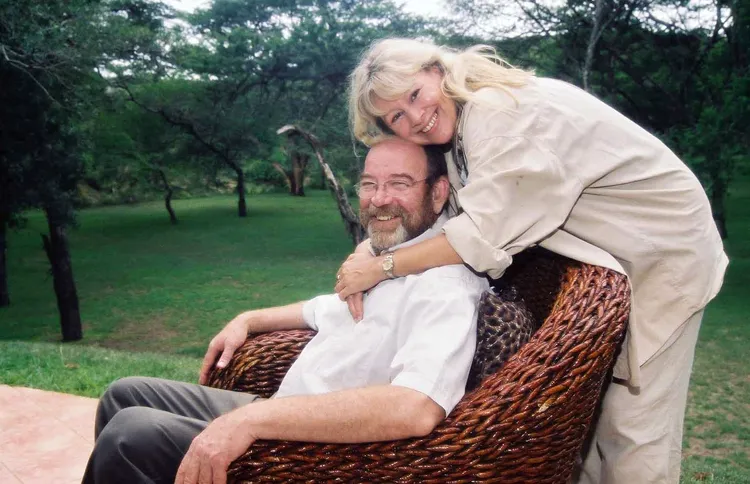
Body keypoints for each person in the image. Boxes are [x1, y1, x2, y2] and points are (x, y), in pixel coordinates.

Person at [336, 38, 729, 484]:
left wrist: (382, 268)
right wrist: (367, 251)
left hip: (662, 249)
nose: (415, 117)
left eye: (413, 95)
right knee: (593, 419)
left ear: (437, 71)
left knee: (634, 423)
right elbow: (441, 216)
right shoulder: (459, 135)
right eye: (396, 117)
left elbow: (479, 236)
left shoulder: (498, 113)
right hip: (616, 257)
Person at [82, 138, 489, 484]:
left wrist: (250, 422)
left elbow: (415, 408)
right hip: (279, 406)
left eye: (399, 184)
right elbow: (326, 310)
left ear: (437, 193)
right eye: (369, 184)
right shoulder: (392, 259)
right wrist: (249, 319)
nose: (379, 199)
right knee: (123, 393)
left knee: (129, 435)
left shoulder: (444, 285)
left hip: (311, 450)